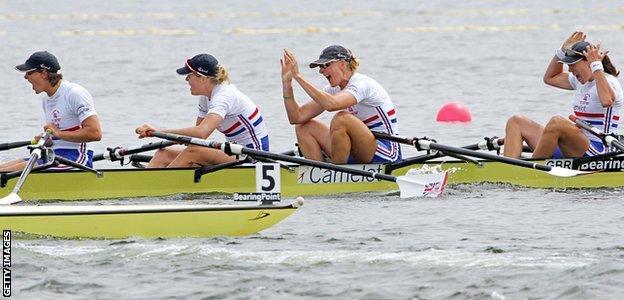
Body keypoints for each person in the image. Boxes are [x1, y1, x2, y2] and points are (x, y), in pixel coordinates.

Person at [135, 53, 269, 168]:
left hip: (253, 157)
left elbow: (201, 133)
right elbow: (192, 138)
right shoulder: (206, 97)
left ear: (203, 78)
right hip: (233, 152)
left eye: (189, 76)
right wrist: (162, 136)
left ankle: (160, 186)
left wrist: (157, 131)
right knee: (164, 152)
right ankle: (144, 188)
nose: (186, 80)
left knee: (194, 151)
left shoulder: (224, 96)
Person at [503, 32, 623, 159]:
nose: (570, 70)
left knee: (557, 123)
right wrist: (561, 51)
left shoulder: (610, 81)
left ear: (588, 63)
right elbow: (550, 78)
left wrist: (596, 65)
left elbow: (607, 101)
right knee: (516, 121)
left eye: (572, 65)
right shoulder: (579, 81)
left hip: (599, 151)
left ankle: (532, 172)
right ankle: (508, 169)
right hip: (574, 147)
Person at [280, 45, 401, 164]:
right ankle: (320, 173)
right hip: (358, 147)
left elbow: (332, 105)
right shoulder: (333, 89)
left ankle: (335, 173)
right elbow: (296, 117)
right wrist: (287, 83)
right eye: (320, 67)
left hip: (385, 150)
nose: (321, 71)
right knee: (303, 127)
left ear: (342, 64)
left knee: (341, 119)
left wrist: (298, 77)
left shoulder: (363, 84)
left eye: (325, 65)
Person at [0, 51, 102, 172]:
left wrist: (57, 134)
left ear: (43, 73)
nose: (25, 77)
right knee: (2, 169)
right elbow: (60, 133)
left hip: (75, 158)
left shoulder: (74, 93)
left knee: (5, 173)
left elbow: (95, 133)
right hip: (53, 155)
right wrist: (49, 139)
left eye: (29, 72)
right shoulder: (47, 100)